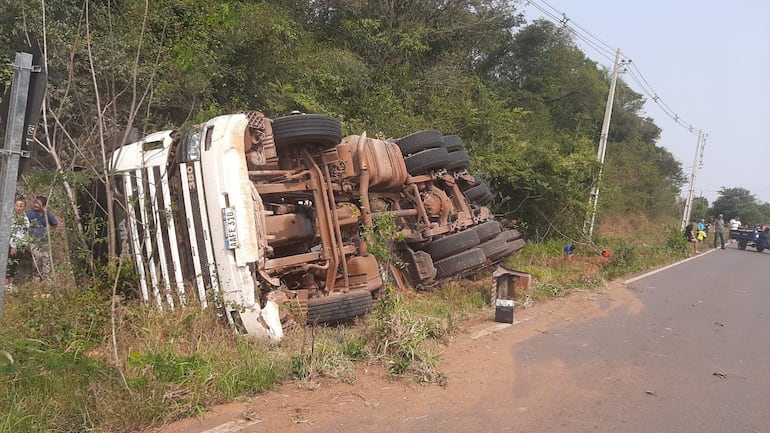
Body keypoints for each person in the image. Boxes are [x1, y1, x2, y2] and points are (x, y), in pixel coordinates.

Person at [25, 195, 58, 280]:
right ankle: (36, 278)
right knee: (36, 259)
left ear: (43, 205)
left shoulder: (47, 214)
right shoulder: (29, 213)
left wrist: (47, 231)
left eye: (38, 204)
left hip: (44, 241)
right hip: (33, 241)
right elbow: (24, 224)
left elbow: (54, 224)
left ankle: (47, 279)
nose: (35, 205)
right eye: (35, 203)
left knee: (45, 259)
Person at [5, 198, 30, 292]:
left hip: (21, 246)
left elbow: (25, 232)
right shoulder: (12, 217)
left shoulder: (25, 217)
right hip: (12, 245)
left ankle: (10, 284)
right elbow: (10, 232)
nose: (19, 208)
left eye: (21, 206)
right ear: (14, 206)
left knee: (14, 265)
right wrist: (12, 246)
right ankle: (5, 285)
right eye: (18, 205)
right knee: (9, 265)